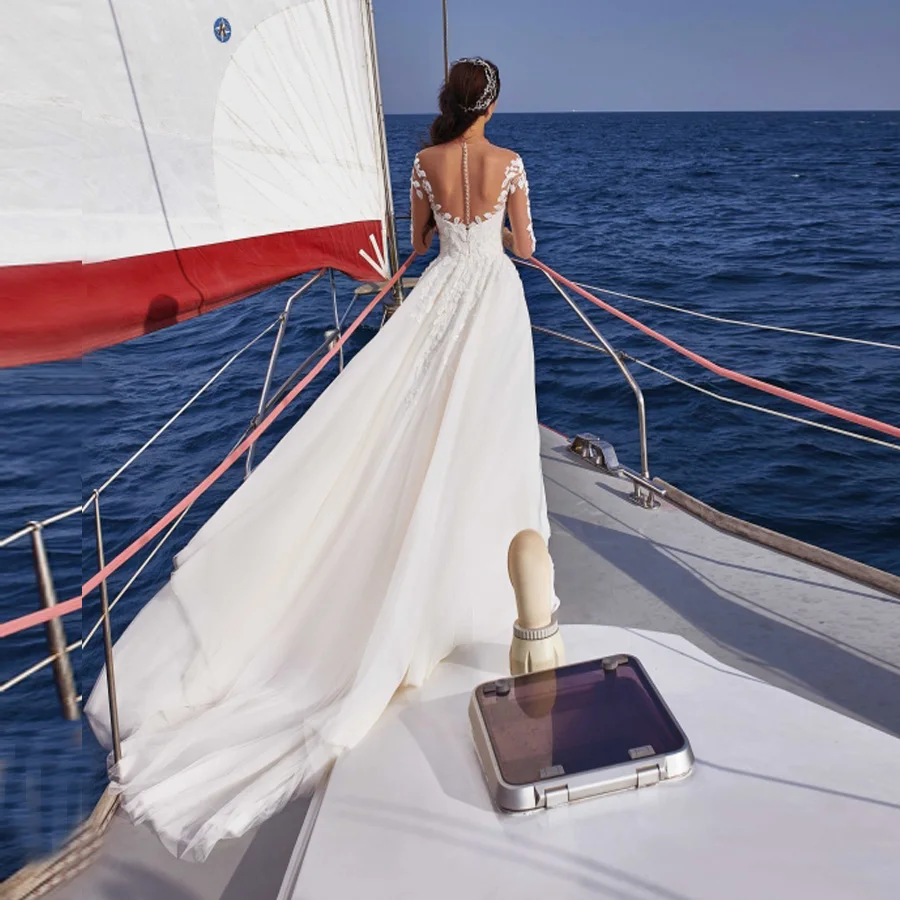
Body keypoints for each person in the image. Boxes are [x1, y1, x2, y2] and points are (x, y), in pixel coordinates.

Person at [86, 57, 559, 861]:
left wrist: (448, 230)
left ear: (453, 102)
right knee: (489, 434)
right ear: (496, 103)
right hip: (494, 303)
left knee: (416, 429)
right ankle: (482, 592)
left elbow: (417, 242)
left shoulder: (424, 164)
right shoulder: (510, 164)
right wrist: (513, 230)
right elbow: (522, 244)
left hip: (442, 298)